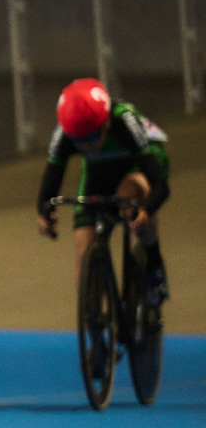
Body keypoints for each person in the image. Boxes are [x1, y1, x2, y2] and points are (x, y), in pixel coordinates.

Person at [37, 79, 169, 306]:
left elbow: (161, 186)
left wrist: (146, 211)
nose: (86, 146)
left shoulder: (124, 122)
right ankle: (97, 319)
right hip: (99, 170)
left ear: (106, 123)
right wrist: (44, 213)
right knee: (84, 244)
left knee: (127, 195)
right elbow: (51, 181)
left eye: (91, 138)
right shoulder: (66, 133)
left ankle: (155, 266)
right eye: (79, 141)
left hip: (137, 164)